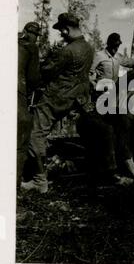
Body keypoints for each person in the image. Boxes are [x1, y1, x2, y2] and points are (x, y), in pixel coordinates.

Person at [21, 12, 94, 193]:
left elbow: (46, 72)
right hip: (75, 97)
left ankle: (40, 181)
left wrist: (43, 64)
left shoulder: (68, 50)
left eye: (61, 31)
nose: (61, 35)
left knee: (35, 134)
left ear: (66, 29)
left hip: (56, 97)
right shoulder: (89, 48)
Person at [89, 33, 134, 180]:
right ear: (109, 44)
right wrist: (95, 86)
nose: (115, 49)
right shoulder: (99, 55)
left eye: (117, 46)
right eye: (113, 46)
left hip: (113, 94)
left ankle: (119, 160)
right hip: (101, 94)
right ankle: (111, 164)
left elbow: (130, 62)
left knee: (118, 124)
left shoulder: (118, 57)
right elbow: (90, 73)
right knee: (108, 126)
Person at [17, 22, 41, 187]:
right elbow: (33, 79)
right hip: (17, 92)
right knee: (22, 133)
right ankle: (14, 182)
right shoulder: (31, 47)